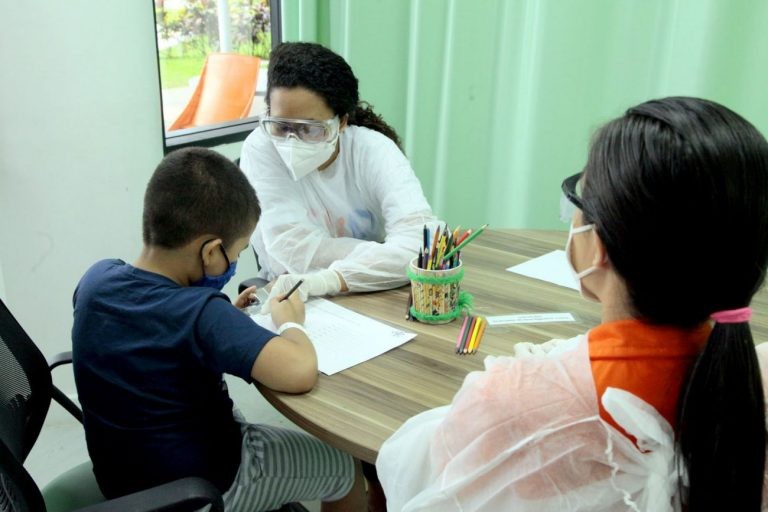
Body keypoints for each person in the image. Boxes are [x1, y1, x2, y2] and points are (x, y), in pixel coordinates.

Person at [376, 97, 768, 511]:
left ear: (597, 244)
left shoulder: (510, 400)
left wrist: (527, 382)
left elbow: (411, 470)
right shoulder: (746, 386)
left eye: (578, 201)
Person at [72, 147, 367, 511]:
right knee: (344, 466)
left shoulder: (96, 280)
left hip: (123, 478)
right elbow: (299, 372)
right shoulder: (201, 315)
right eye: (237, 252)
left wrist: (227, 320)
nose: (234, 263)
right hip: (202, 486)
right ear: (211, 251)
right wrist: (291, 321)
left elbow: (150, 329)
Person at [239, 42, 438, 307]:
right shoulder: (261, 147)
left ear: (341, 122)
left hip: (379, 294)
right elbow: (291, 252)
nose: (291, 140)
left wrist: (326, 280)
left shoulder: (373, 150)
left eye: (310, 129)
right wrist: (389, 257)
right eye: (281, 125)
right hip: (292, 296)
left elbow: (421, 245)